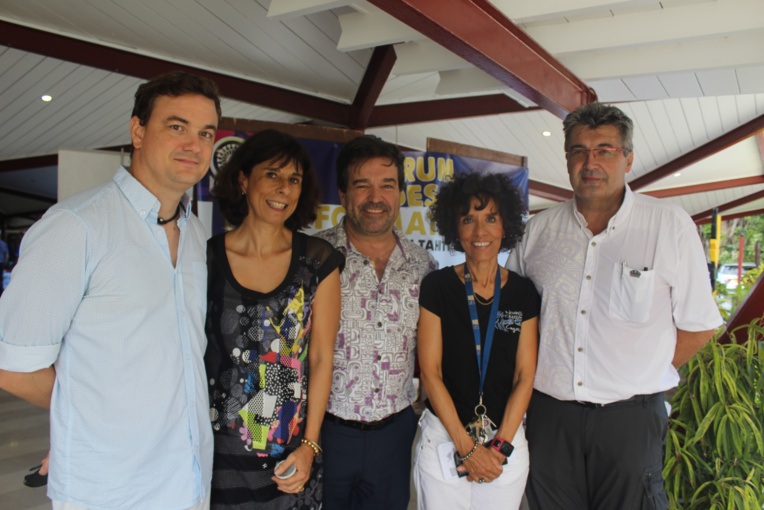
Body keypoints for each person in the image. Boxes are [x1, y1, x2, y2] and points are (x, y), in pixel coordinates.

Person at [0, 71, 221, 509]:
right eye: (177, 127)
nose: (194, 145)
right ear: (138, 131)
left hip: (189, 478)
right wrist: (88, 421)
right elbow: (14, 367)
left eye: (205, 133)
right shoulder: (75, 227)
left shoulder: (195, 234)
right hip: (111, 487)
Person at [506, 102, 722, 510]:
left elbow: (699, 325)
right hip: (551, 418)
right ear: (567, 158)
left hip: (630, 420)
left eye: (604, 150)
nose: (591, 163)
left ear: (628, 158)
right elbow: (513, 319)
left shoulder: (668, 225)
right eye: (579, 151)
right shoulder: (538, 232)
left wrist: (642, 371)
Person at [205, 129, 343, 509]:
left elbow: (321, 359)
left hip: (290, 458)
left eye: (294, 179)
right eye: (272, 174)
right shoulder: (207, 259)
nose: (284, 188)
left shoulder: (318, 261)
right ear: (243, 180)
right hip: (217, 455)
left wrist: (310, 446)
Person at [315, 134, 437, 510]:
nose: (375, 198)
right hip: (323, 431)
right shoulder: (313, 256)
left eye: (386, 185)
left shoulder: (423, 265)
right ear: (342, 193)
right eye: (362, 185)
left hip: (394, 436)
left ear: (400, 193)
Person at [413, 173, 539, 509]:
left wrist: (499, 447)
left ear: (505, 225)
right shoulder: (437, 287)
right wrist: (467, 449)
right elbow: (431, 373)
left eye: (491, 219)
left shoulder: (523, 293)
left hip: (504, 443)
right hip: (445, 439)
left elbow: (525, 376)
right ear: (455, 228)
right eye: (468, 219)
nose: (480, 232)